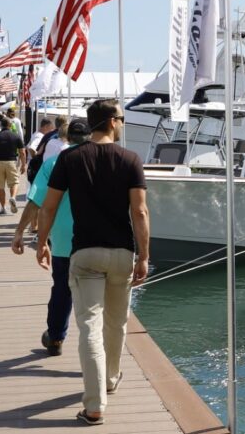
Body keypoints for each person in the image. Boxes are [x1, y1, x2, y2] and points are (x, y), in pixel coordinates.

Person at [37, 99, 150, 426]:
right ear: (112, 122)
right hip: (121, 252)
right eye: (122, 118)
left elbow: (49, 206)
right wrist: (144, 256)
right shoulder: (130, 159)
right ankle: (111, 378)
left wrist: (42, 242)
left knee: (89, 326)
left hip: (84, 252)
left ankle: (95, 403)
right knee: (115, 323)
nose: (123, 123)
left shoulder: (69, 158)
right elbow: (139, 212)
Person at [11, 119, 91, 357]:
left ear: (65, 137)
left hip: (64, 240)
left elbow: (37, 201)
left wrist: (21, 233)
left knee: (62, 291)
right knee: (95, 298)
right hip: (97, 239)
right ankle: (94, 344)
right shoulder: (101, 161)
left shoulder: (55, 162)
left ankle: (55, 337)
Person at [0, 119, 26, 215]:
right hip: (11, 162)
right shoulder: (16, 136)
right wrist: (23, 164)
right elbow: (22, 152)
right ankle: (13, 197)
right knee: (14, 183)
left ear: (1, 125)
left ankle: (3, 208)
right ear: (10, 125)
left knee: (0, 187)